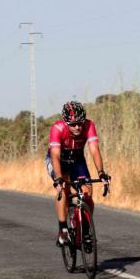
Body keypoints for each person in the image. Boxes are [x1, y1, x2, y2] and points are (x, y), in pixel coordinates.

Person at [46, 100, 111, 246]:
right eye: (73, 124)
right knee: (63, 188)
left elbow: (94, 150)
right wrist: (59, 178)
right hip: (59, 160)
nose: (77, 127)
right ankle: (63, 229)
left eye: (80, 123)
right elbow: (55, 155)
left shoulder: (89, 125)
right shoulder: (57, 128)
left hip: (77, 160)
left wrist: (101, 173)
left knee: (87, 193)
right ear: (66, 122)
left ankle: (85, 231)